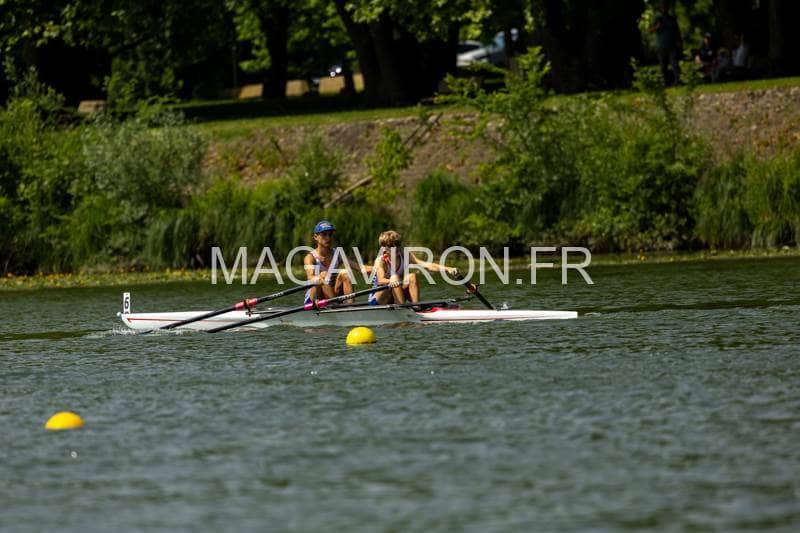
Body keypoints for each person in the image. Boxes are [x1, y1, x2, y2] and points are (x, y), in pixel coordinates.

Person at [368, 230, 458, 306]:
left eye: (397, 244)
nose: (395, 247)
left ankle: (416, 306)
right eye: (391, 245)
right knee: (394, 277)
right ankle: (402, 310)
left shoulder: (405, 255)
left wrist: (447, 269)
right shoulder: (380, 261)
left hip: (395, 293)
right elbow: (381, 280)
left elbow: (426, 265)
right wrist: (393, 280)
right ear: (383, 248)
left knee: (412, 276)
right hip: (378, 299)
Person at [303, 220, 369, 304]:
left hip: (331, 296)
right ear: (316, 237)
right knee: (324, 275)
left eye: (330, 234)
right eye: (324, 234)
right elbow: (310, 277)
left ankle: (351, 307)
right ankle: (335, 305)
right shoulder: (310, 258)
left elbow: (360, 268)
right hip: (314, 298)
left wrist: (377, 268)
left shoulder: (337, 254)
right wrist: (320, 278)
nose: (328, 238)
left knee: (346, 273)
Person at [650, 3, 683, 85]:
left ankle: (678, 81)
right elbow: (650, 30)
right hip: (661, 46)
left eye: (666, 7)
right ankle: (665, 82)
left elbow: (677, 31)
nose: (664, 9)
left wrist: (679, 42)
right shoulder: (657, 19)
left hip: (672, 45)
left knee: (675, 64)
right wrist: (657, 27)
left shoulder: (672, 19)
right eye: (663, 8)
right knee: (663, 66)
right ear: (660, 9)